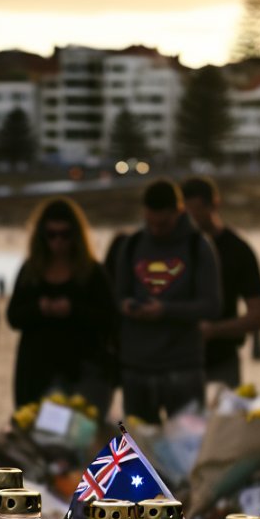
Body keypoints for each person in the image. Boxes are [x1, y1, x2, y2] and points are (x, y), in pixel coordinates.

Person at [104, 178, 220, 421]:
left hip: (183, 366)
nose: (156, 229)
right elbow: (117, 296)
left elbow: (212, 305)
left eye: (163, 224)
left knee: (187, 443)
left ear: (179, 211)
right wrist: (127, 306)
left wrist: (165, 310)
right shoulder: (132, 244)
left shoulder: (198, 246)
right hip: (136, 366)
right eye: (150, 222)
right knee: (135, 444)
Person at [6, 196, 117, 411]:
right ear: (41, 236)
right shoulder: (31, 271)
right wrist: (39, 308)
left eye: (65, 235)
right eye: (51, 235)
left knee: (83, 431)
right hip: (37, 372)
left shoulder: (92, 272)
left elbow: (109, 318)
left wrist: (73, 310)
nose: (58, 242)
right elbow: (13, 317)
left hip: (84, 372)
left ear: (76, 235)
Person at [181, 176, 260, 388]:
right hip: (177, 363)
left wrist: (213, 330)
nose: (191, 218)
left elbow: (257, 315)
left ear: (214, 205)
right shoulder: (173, 248)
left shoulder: (238, 249)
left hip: (222, 364)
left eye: (196, 210)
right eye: (185, 212)